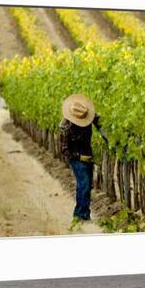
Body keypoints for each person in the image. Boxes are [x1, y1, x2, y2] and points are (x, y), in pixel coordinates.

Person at [59, 93, 107, 222]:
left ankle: (85, 213)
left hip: (88, 153)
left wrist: (110, 139)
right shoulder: (65, 127)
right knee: (83, 184)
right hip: (76, 157)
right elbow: (64, 150)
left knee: (88, 185)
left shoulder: (88, 115)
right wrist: (80, 158)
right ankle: (80, 215)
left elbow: (102, 126)